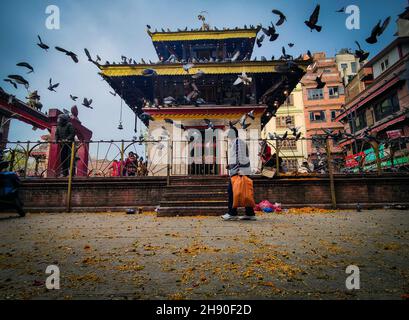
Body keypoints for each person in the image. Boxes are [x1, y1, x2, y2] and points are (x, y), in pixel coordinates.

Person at [222, 127, 256, 221]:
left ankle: (232, 213)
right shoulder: (238, 142)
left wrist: (237, 169)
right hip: (240, 169)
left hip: (239, 171)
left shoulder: (237, 143)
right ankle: (250, 213)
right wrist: (230, 165)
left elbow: (239, 156)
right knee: (245, 191)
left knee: (232, 191)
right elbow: (242, 156)